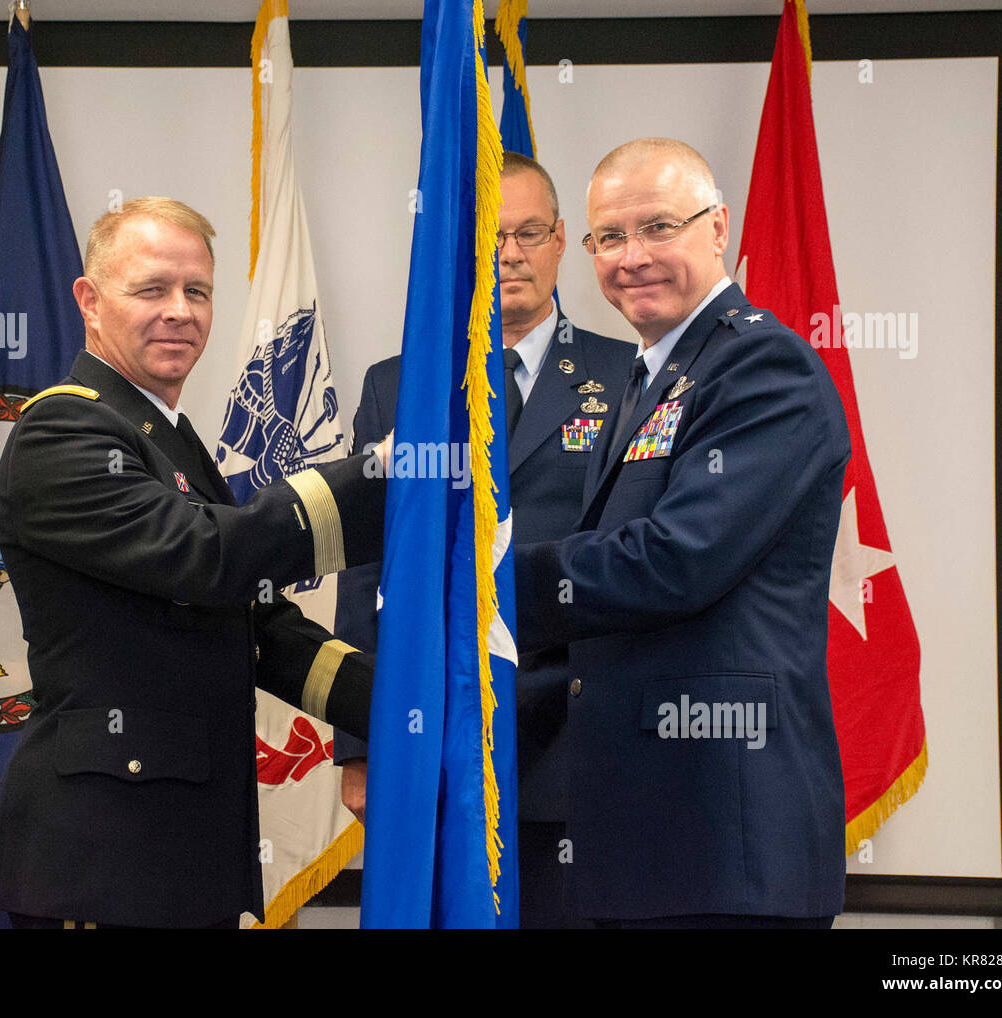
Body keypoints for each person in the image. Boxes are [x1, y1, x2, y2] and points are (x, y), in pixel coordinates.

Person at [0, 197, 388, 929]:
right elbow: (206, 559)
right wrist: (382, 478)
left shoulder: (168, 439)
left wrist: (406, 708)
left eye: (196, 291)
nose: (180, 311)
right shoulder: (62, 430)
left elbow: (260, 630)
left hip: (175, 854)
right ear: (90, 300)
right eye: (152, 289)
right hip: (102, 861)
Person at [511, 138, 851, 928]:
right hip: (652, 841)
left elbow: (674, 562)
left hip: (724, 841)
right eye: (609, 237)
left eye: (658, 227)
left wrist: (479, 582)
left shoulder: (763, 366)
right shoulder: (649, 373)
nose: (632, 258)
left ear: (718, 226)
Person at [332, 152, 634, 928]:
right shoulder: (399, 386)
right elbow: (371, 573)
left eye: (529, 232)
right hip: (440, 731)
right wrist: (360, 740)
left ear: (565, 241)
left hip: (581, 734)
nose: (509, 254)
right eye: (490, 238)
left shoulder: (628, 373)